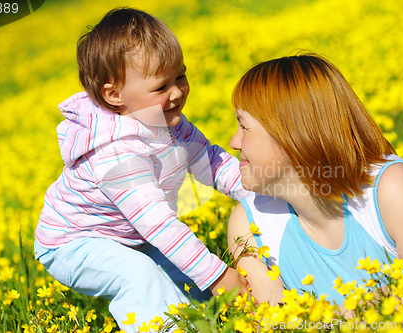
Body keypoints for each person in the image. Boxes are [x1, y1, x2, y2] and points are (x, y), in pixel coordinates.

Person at [34, 7, 248, 332]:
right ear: (114, 95)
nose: (177, 92)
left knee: (184, 280)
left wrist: (259, 190)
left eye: (181, 76)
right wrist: (218, 275)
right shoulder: (116, 152)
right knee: (139, 276)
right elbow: (159, 225)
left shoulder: (170, 123)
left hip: (127, 234)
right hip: (72, 243)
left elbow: (211, 162)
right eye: (161, 87)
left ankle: (215, 321)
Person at [226, 53, 403, 307]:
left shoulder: (394, 191)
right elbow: (275, 323)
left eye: (244, 127)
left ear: (292, 134)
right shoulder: (249, 225)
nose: (233, 143)